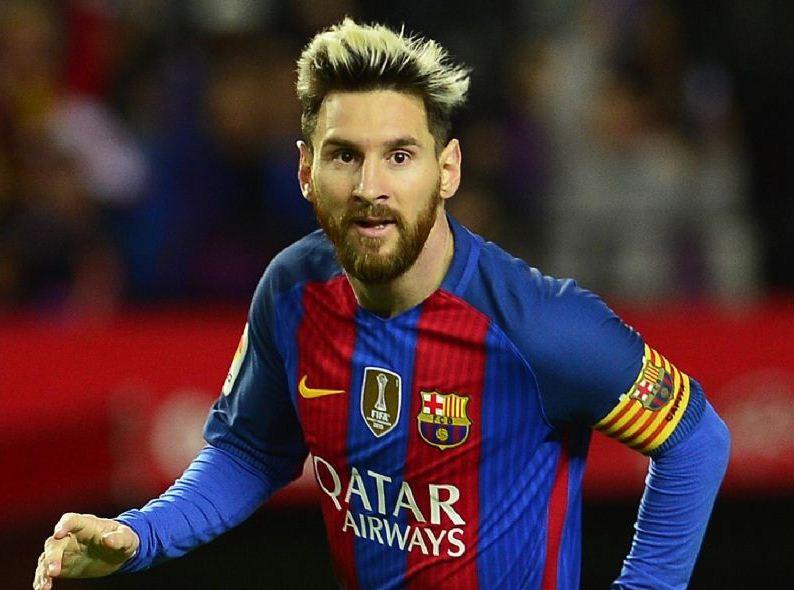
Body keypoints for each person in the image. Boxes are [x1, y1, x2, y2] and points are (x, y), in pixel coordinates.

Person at [34, 18, 730, 590]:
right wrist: (138, 535)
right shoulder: (292, 290)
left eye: (399, 155)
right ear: (306, 170)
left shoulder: (538, 324)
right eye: (345, 156)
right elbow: (250, 449)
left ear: (447, 170)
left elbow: (696, 440)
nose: (371, 186)